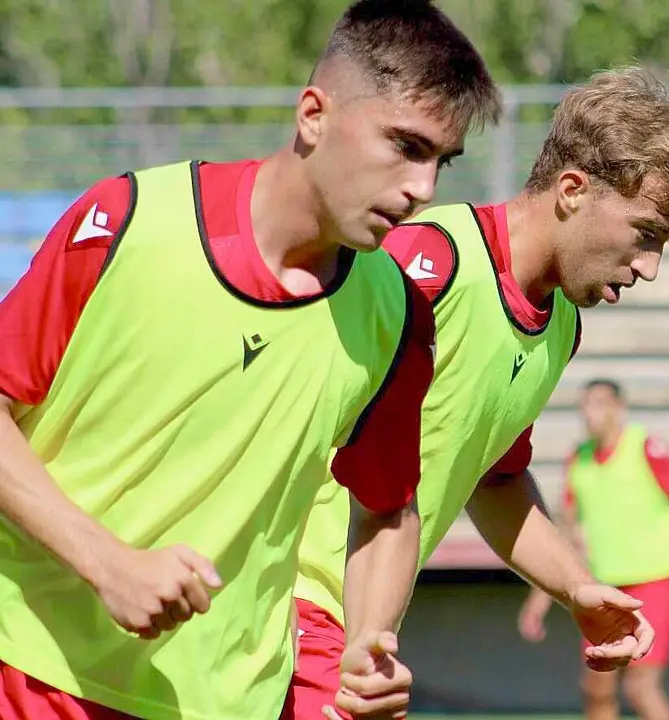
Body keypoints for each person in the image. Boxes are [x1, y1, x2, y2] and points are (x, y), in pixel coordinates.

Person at [0, 1, 500, 719]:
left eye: (440, 162)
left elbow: (388, 509)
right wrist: (107, 564)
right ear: (313, 115)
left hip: (230, 700)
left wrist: (369, 642)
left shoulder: (395, 311)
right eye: (405, 146)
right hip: (34, 672)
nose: (423, 190)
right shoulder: (129, 224)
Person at [288, 65, 669, 720]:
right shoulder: (426, 264)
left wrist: (576, 587)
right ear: (572, 190)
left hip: (353, 629)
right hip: (282, 604)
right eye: (644, 234)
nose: (650, 268)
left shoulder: (561, 327)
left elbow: (494, 478)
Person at [518, 378, 669, 720]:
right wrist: (540, 598)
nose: (590, 413)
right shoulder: (578, 460)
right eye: (585, 405)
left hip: (654, 580)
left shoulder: (646, 448)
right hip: (605, 587)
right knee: (596, 687)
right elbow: (563, 533)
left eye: (599, 404)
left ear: (619, 408)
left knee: (640, 687)